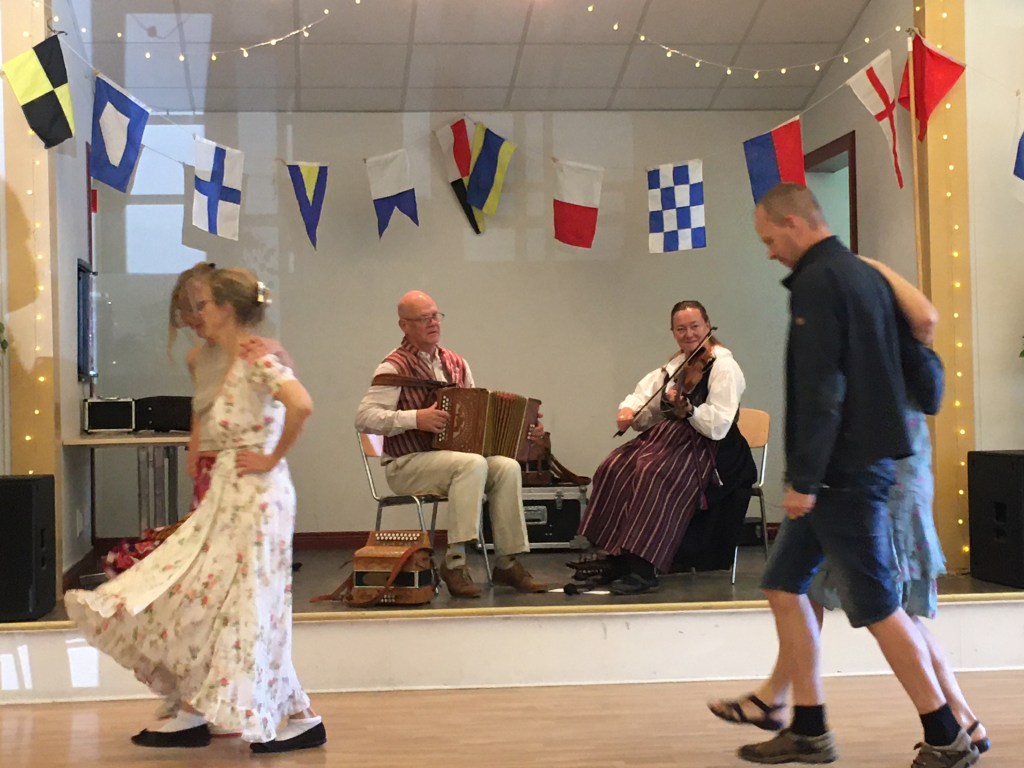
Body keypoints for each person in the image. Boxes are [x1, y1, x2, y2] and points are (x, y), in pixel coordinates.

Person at [734, 182, 978, 767]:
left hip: (842, 475)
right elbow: (919, 343)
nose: (770, 252)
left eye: (770, 239)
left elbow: (823, 387)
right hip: (855, 467)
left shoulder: (820, 282)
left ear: (794, 223)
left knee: (878, 605)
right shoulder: (865, 278)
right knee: (783, 585)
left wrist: (805, 480)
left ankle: (947, 735)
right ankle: (808, 729)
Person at [65, 267, 326, 754]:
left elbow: (301, 404)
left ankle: (292, 713)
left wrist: (270, 457)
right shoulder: (209, 359)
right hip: (226, 490)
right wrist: (197, 450)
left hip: (256, 494)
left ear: (227, 308)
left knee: (243, 603)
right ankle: (206, 706)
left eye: (201, 306)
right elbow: (207, 411)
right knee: (204, 597)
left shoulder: (257, 358)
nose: (191, 316)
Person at [355, 290, 548, 598]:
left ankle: (507, 562)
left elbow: (480, 416)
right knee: (471, 464)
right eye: (424, 318)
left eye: (435, 316)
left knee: (507, 467)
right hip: (406, 465)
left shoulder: (456, 363)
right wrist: (416, 419)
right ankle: (455, 561)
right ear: (404, 325)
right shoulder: (393, 367)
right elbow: (364, 418)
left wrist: (525, 430)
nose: (433, 323)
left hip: (455, 464)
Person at [574, 300, 755, 594]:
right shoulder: (675, 365)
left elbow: (719, 424)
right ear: (673, 332)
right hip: (672, 438)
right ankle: (618, 556)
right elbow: (644, 396)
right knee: (615, 465)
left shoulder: (724, 366)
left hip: (716, 450)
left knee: (653, 472)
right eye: (681, 329)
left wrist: (691, 411)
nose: (689, 334)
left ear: (707, 326)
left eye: (695, 326)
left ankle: (644, 566)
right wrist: (629, 411)